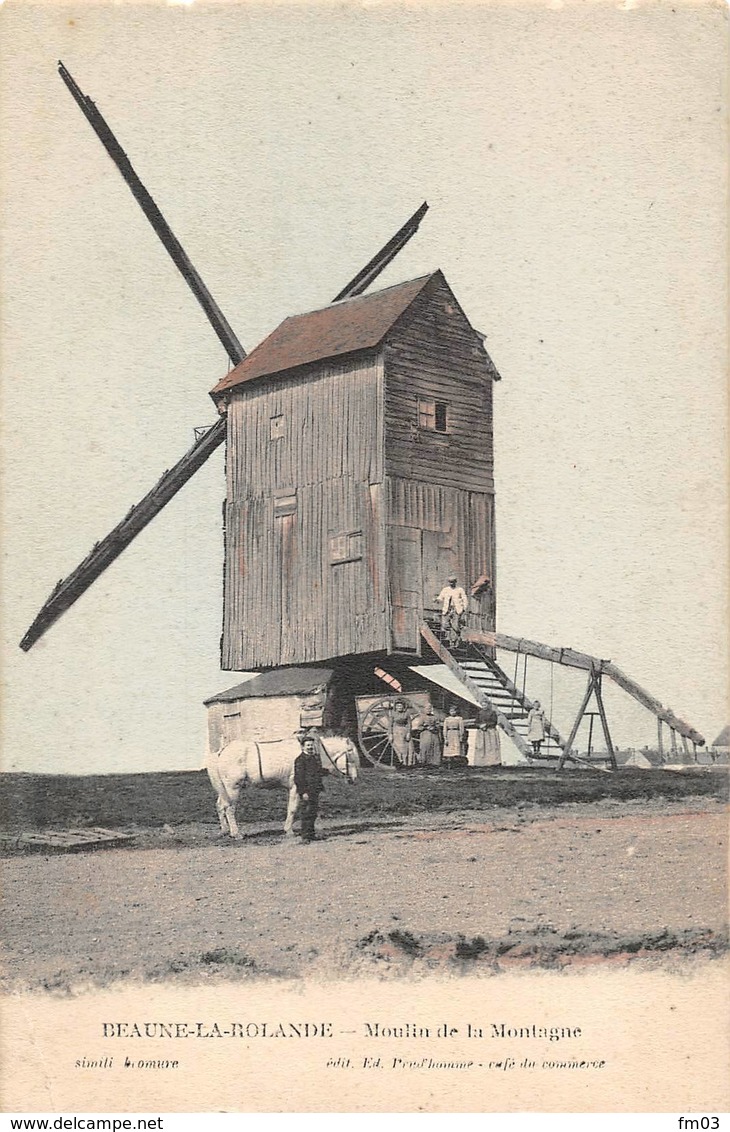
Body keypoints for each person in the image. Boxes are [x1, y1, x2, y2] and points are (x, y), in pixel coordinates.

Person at [293, 733, 326, 842]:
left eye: (311, 745)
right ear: (302, 747)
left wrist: (329, 771)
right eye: (308, 745)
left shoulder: (314, 758)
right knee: (306, 813)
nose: (310, 747)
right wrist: (303, 792)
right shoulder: (300, 760)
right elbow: (299, 778)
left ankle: (311, 834)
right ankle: (305, 836)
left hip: (315, 790)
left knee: (313, 812)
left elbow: (317, 772)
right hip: (306, 791)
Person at [436, 574, 469, 645]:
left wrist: (464, 609)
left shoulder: (460, 590)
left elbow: (465, 599)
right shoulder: (446, 589)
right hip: (447, 609)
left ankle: (454, 642)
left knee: (455, 626)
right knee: (445, 624)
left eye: (453, 582)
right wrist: (437, 600)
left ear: (455, 582)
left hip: (456, 609)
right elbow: (440, 597)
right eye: (450, 582)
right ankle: (449, 637)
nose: (451, 583)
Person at [390, 700, 414, 767]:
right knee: (399, 747)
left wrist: (409, 732)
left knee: (407, 747)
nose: (399, 707)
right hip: (396, 731)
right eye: (398, 706)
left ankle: (407, 763)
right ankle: (401, 761)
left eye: (400, 706)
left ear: (403, 706)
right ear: (395, 707)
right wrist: (390, 734)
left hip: (404, 730)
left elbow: (409, 724)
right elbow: (390, 725)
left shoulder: (406, 714)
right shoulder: (393, 714)